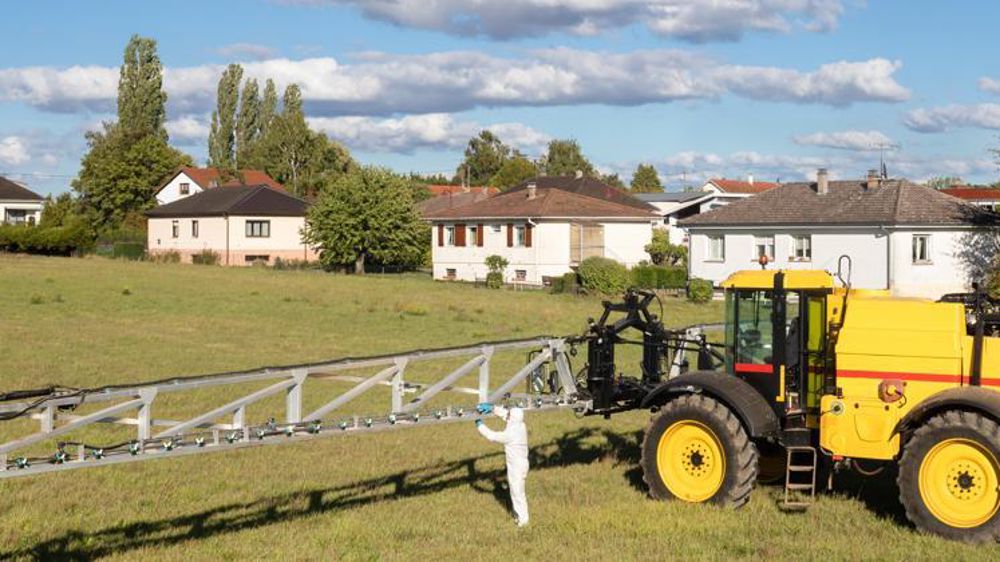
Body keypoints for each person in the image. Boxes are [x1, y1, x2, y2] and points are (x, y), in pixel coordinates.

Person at [475, 401, 529, 527]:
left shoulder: (511, 434)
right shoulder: (521, 425)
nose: (507, 416)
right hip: (522, 463)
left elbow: (491, 436)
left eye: (510, 415)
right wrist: (492, 408)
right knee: (519, 492)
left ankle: (523, 521)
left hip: (516, 466)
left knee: (517, 493)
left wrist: (479, 424)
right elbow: (506, 415)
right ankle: (521, 517)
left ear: (513, 418)